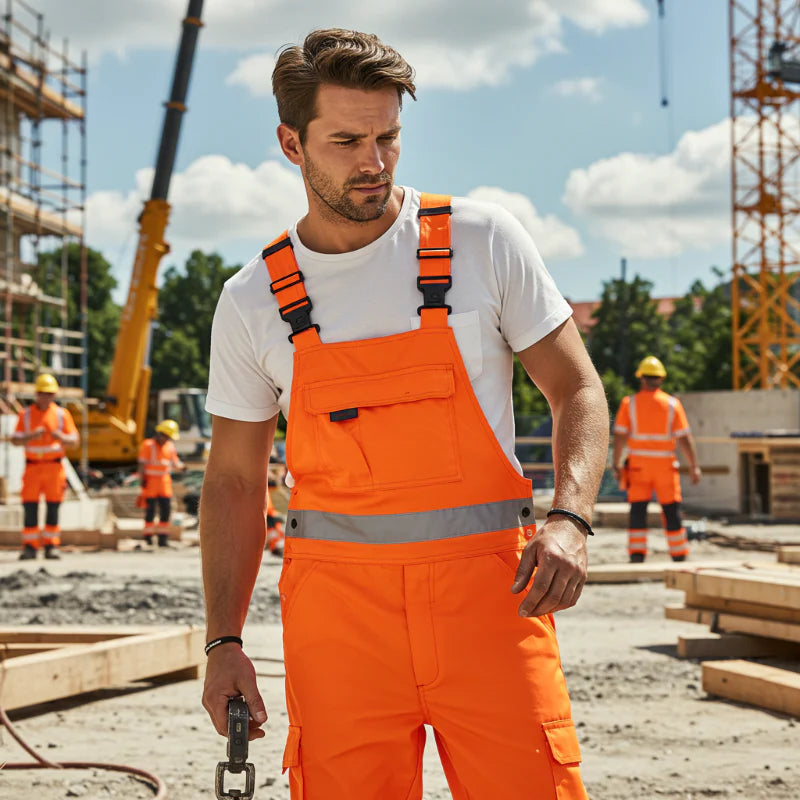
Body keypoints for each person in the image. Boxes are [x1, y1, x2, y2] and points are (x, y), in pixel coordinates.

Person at [200, 28, 609, 800]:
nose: (375, 162)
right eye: (347, 139)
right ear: (291, 142)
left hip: (494, 605)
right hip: (339, 628)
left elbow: (578, 390)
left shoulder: (481, 243)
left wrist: (570, 518)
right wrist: (224, 640)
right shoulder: (253, 299)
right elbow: (230, 481)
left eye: (389, 136)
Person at [612, 355, 702, 563]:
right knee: (671, 510)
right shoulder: (672, 404)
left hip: (638, 466)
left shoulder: (629, 403)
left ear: (641, 378)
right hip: (665, 466)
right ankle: (679, 553)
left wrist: (617, 463)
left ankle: (637, 554)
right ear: (661, 379)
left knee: (638, 510)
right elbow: (685, 439)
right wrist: (694, 466)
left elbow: (619, 437)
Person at [12, 373, 79, 560]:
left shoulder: (61, 415)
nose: (45, 397)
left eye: (49, 393)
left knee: (53, 507)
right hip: (33, 468)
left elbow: (74, 440)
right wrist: (31, 436)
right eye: (42, 393)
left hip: (54, 468)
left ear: (54, 395)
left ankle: (51, 546)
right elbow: (15, 439)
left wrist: (61, 437)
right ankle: (30, 546)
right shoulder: (25, 415)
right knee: (30, 507)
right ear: (37, 394)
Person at [137, 419, 186, 547]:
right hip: (151, 483)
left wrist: (183, 467)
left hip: (164, 483)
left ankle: (163, 539)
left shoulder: (170, 446)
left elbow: (176, 463)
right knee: (150, 511)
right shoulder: (148, 445)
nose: (167, 439)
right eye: (167, 436)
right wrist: (142, 480)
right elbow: (142, 464)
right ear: (161, 434)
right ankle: (148, 538)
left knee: (166, 510)